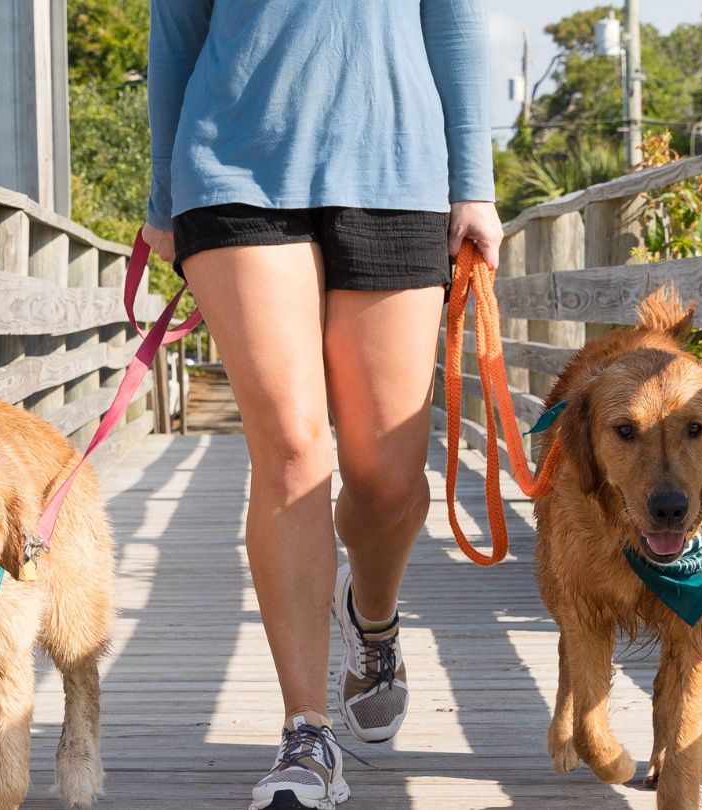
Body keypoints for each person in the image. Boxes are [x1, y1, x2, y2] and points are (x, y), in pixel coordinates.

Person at [142, 2, 502, 808]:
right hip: (232, 166)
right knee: (295, 452)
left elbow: (455, 18)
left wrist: (472, 183)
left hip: (398, 170)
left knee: (385, 477)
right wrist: (164, 192)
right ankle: (307, 734)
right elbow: (177, 29)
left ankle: (370, 618)